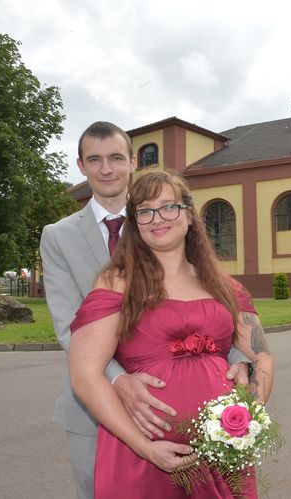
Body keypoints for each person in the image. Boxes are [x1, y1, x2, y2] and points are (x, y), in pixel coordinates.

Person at [39, 122, 252, 499]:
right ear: (81, 165)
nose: (106, 169)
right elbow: (69, 324)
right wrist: (120, 381)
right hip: (95, 408)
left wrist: (240, 361)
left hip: (203, 422)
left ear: (133, 161)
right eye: (95, 159)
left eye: (116, 158)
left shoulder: (162, 222)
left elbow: (217, 312)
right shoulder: (58, 236)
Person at [68, 171, 274, 498]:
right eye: (145, 211)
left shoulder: (226, 287)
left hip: (222, 456)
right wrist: (145, 448)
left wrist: (248, 414)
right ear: (134, 224)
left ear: (190, 215)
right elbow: (84, 375)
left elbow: (261, 355)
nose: (157, 218)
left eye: (168, 206)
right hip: (142, 455)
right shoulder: (116, 283)